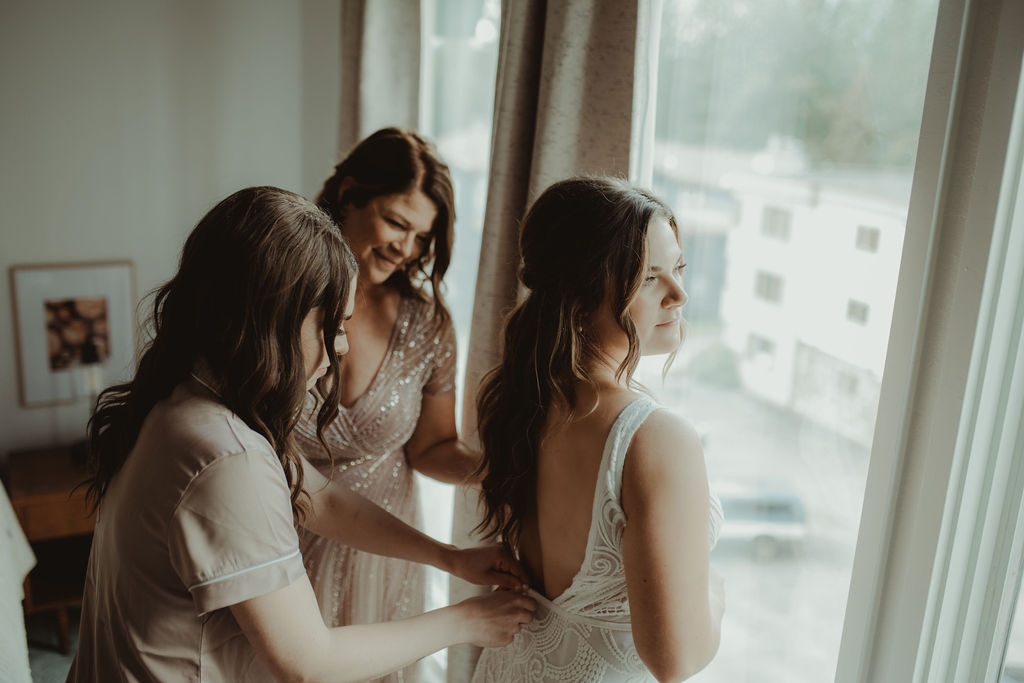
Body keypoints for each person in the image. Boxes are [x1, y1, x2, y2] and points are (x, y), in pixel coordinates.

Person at [67, 186, 535, 683]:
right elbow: (308, 664)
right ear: (273, 318)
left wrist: (449, 558)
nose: (340, 346)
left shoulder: (182, 399)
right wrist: (465, 620)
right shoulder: (226, 456)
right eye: (333, 324)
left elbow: (321, 499)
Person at [470, 177, 725, 683]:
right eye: (650, 278)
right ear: (581, 294)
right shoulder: (655, 439)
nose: (679, 294)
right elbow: (676, 661)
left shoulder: (522, 398)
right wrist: (713, 589)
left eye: (677, 268)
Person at [293, 127, 477, 680]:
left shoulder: (428, 326)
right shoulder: (282, 303)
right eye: (398, 222)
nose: (408, 248)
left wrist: (504, 469)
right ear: (349, 194)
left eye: (422, 236)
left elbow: (433, 448)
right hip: (284, 540)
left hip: (387, 550)